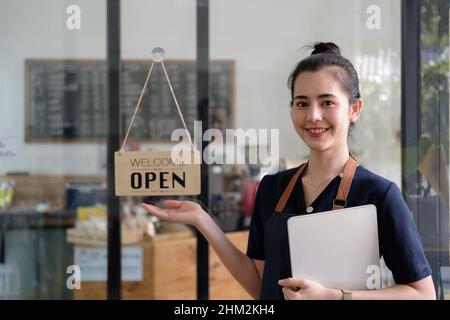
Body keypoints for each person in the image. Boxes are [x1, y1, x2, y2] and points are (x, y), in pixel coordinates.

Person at [141, 42, 436, 300]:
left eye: (327, 102)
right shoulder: (272, 188)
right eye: (302, 103)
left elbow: (422, 293)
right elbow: (260, 286)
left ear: (354, 109)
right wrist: (203, 221)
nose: (313, 116)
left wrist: (335, 297)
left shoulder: (379, 194)